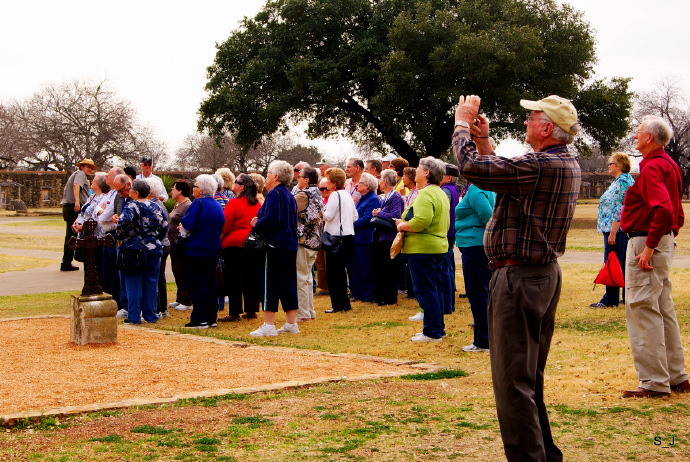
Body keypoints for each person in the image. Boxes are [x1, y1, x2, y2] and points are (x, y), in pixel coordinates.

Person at [454, 94, 581, 461]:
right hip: (539, 276)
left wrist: (462, 123)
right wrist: (483, 141)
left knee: (512, 383)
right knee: (528, 379)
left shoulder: (540, 164)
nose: (526, 122)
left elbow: (473, 169)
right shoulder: (560, 162)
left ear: (546, 128)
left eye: (532, 117)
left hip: (519, 279)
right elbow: (502, 177)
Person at [619, 115, 689, 398]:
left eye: (638, 133)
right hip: (662, 240)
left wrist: (649, 247)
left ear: (649, 137)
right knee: (662, 308)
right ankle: (676, 376)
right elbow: (676, 211)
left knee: (641, 308)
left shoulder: (651, 168)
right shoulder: (670, 165)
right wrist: (667, 238)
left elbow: (663, 209)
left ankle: (653, 382)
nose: (635, 137)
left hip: (646, 241)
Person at [395, 157, 449, 342]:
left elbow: (421, 221)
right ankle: (437, 328)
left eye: (418, 168)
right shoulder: (439, 192)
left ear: (427, 173)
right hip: (437, 247)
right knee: (435, 289)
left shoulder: (426, 194)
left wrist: (402, 226)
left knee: (426, 290)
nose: (415, 171)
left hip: (423, 249)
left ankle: (432, 332)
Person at [249, 160, 300, 336]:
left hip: (275, 245)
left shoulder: (274, 194)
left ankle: (269, 325)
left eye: (268, 173)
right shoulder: (289, 195)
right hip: (290, 244)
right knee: (289, 283)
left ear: (276, 177)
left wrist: (257, 223)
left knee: (270, 283)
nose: (266, 177)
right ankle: (291, 323)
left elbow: (271, 218)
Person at [116, 179, 169, 325]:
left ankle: (133, 316)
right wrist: (154, 238)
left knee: (133, 283)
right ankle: (151, 315)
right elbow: (165, 225)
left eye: (132, 190)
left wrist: (122, 236)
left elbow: (121, 224)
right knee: (151, 283)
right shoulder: (156, 206)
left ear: (136, 193)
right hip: (153, 248)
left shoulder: (131, 206)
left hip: (133, 249)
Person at [180, 174, 225, 329]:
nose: (194, 188)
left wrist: (182, 229)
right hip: (213, 249)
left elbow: (188, 225)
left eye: (196, 185)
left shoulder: (197, 204)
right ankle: (211, 318)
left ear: (202, 190)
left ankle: (199, 318)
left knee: (197, 284)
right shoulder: (217, 205)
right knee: (210, 283)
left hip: (197, 249)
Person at [455, 182, 495, 352]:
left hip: (475, 244)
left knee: (478, 292)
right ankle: (487, 337)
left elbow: (487, 214)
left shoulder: (476, 187)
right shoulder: (487, 187)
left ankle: (483, 340)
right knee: (484, 292)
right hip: (478, 244)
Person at [591, 152, 634, 308]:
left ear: (620, 165)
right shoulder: (621, 181)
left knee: (612, 263)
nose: (609, 165)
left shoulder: (622, 182)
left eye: (612, 163)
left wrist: (614, 232)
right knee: (621, 263)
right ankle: (625, 296)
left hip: (616, 229)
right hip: (617, 228)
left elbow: (620, 208)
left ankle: (610, 299)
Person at [219, 173, 262, 322]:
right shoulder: (257, 203)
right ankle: (251, 310)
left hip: (234, 244)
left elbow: (225, 226)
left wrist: (220, 241)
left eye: (236, 181)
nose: (234, 183)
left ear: (241, 186)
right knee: (251, 278)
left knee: (233, 278)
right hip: (252, 244)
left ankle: (234, 312)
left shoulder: (233, 203)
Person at [323, 167, 358, 313]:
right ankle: (344, 303)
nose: (326, 183)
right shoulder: (347, 195)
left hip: (335, 237)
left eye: (328, 179)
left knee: (333, 272)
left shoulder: (334, 195)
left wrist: (321, 209)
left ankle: (338, 304)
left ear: (333, 181)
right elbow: (355, 216)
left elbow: (327, 216)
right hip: (348, 235)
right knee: (341, 272)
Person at [293, 166, 324, 321]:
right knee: (307, 277)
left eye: (299, 177)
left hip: (303, 241)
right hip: (314, 240)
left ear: (306, 180)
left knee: (301, 278)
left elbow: (288, 209)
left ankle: (304, 314)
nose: (296, 179)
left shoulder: (303, 195)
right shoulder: (317, 192)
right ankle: (309, 312)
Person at [371, 169, 404, 306]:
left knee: (389, 267)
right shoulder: (387, 196)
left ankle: (389, 297)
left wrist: (379, 214)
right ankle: (382, 295)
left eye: (380, 180)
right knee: (382, 267)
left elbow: (396, 215)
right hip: (382, 237)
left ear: (384, 182)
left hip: (389, 237)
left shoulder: (395, 196)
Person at [72, 173, 110, 286]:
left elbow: (97, 217)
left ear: (99, 184)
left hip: (97, 237)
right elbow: (84, 212)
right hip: (86, 235)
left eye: (93, 180)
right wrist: (77, 222)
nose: (91, 182)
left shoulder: (103, 198)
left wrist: (83, 226)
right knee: (88, 265)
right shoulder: (91, 197)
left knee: (96, 265)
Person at [60, 158, 95, 271]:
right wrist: (77, 202)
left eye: (91, 167)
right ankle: (69, 262)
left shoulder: (79, 174)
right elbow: (76, 186)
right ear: (82, 167)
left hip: (69, 206)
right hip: (73, 206)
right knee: (76, 235)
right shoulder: (80, 174)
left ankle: (66, 262)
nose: (89, 169)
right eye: (87, 167)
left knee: (71, 235)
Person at [351, 172, 380, 302]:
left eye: (360, 183)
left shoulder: (373, 199)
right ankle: (359, 293)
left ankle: (369, 294)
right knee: (357, 267)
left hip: (365, 239)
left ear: (367, 186)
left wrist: (351, 225)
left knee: (366, 268)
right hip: (357, 238)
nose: (357, 185)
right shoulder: (362, 198)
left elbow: (368, 218)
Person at [99, 167, 125, 306]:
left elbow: (105, 216)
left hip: (113, 234)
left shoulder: (117, 195)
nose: (106, 178)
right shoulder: (109, 193)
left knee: (114, 271)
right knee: (107, 270)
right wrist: (100, 211)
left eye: (109, 175)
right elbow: (101, 213)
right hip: (106, 234)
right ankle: (109, 298)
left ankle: (117, 300)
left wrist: (101, 212)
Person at [147, 178, 171, 319]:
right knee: (159, 277)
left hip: (160, 244)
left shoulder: (154, 206)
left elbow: (162, 227)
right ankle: (162, 308)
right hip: (164, 243)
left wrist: (156, 240)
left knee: (155, 277)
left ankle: (158, 308)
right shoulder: (160, 204)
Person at [167, 180, 193, 312]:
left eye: (174, 189)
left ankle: (187, 299)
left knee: (183, 271)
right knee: (176, 271)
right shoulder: (177, 205)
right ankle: (179, 297)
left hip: (182, 244)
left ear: (180, 191)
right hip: (173, 243)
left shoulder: (188, 205)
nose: (171, 191)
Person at [440, 164, 460, 315]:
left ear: (449, 177)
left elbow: (442, 210)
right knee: (448, 267)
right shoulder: (453, 189)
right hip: (451, 231)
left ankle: (447, 304)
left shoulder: (446, 190)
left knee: (444, 269)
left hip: (446, 232)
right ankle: (449, 303)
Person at [314, 177, 332, 296]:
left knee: (328, 262)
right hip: (319, 233)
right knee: (319, 263)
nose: (324, 191)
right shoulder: (319, 200)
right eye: (321, 189)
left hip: (329, 234)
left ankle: (331, 286)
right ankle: (323, 287)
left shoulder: (333, 200)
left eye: (326, 188)